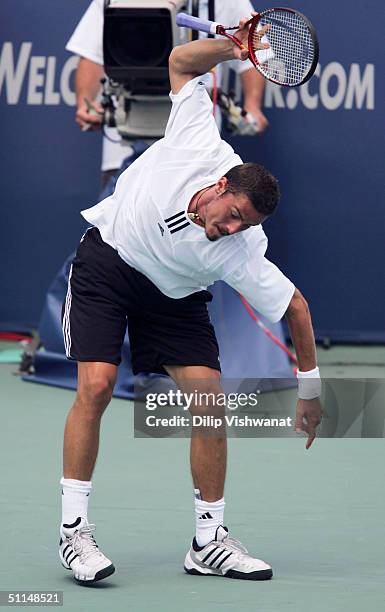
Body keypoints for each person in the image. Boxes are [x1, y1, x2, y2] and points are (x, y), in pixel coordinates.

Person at [59, 16, 322, 585]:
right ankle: (73, 531)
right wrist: (235, 46)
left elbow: (296, 307)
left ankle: (209, 540)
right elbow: (181, 63)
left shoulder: (241, 249)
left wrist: (311, 391)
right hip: (111, 261)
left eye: (242, 227)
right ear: (221, 186)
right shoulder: (197, 139)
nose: (229, 230)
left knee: (209, 400)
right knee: (97, 384)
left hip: (174, 293)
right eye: (231, 216)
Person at [66, 0, 269, 189]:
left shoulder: (226, 2)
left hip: (196, 150)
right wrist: (86, 103)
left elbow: (254, 50)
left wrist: (253, 106)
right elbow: (92, 53)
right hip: (124, 149)